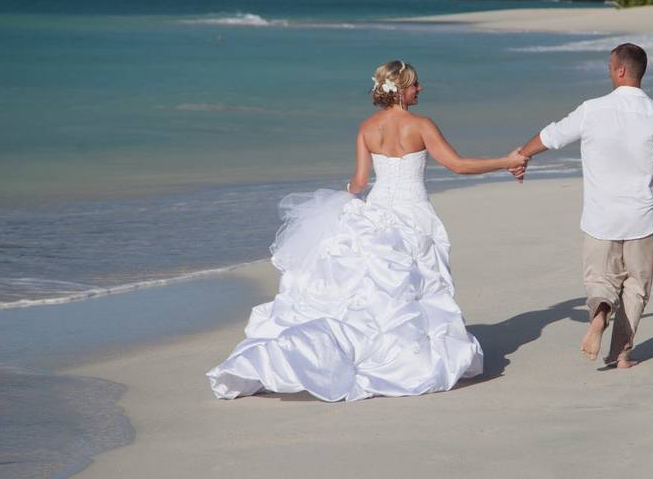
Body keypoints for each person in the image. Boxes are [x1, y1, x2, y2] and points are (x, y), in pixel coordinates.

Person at [206, 60, 527, 401]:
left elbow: (359, 182)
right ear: (401, 89)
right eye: (415, 85)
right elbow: (458, 165)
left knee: (371, 291)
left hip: (375, 213)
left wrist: (342, 205)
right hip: (413, 215)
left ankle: (335, 350)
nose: (420, 89)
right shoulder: (420, 125)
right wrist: (507, 162)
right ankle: (400, 356)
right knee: (409, 289)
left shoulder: (367, 128)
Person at [511, 43, 653, 368]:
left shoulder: (592, 109)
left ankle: (600, 315)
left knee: (600, 280)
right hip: (642, 217)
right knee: (636, 287)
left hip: (601, 217)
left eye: (609, 66)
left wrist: (522, 155)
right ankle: (621, 354)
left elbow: (553, 135)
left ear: (620, 71)